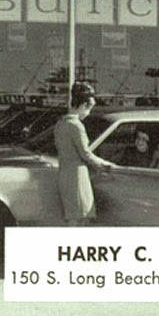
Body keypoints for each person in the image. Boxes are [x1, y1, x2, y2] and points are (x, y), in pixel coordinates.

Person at [54, 81, 113, 226]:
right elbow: (85, 153)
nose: (88, 113)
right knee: (80, 215)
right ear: (82, 105)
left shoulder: (61, 123)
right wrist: (104, 164)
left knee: (74, 214)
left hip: (65, 172)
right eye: (89, 108)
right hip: (77, 174)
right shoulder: (76, 125)